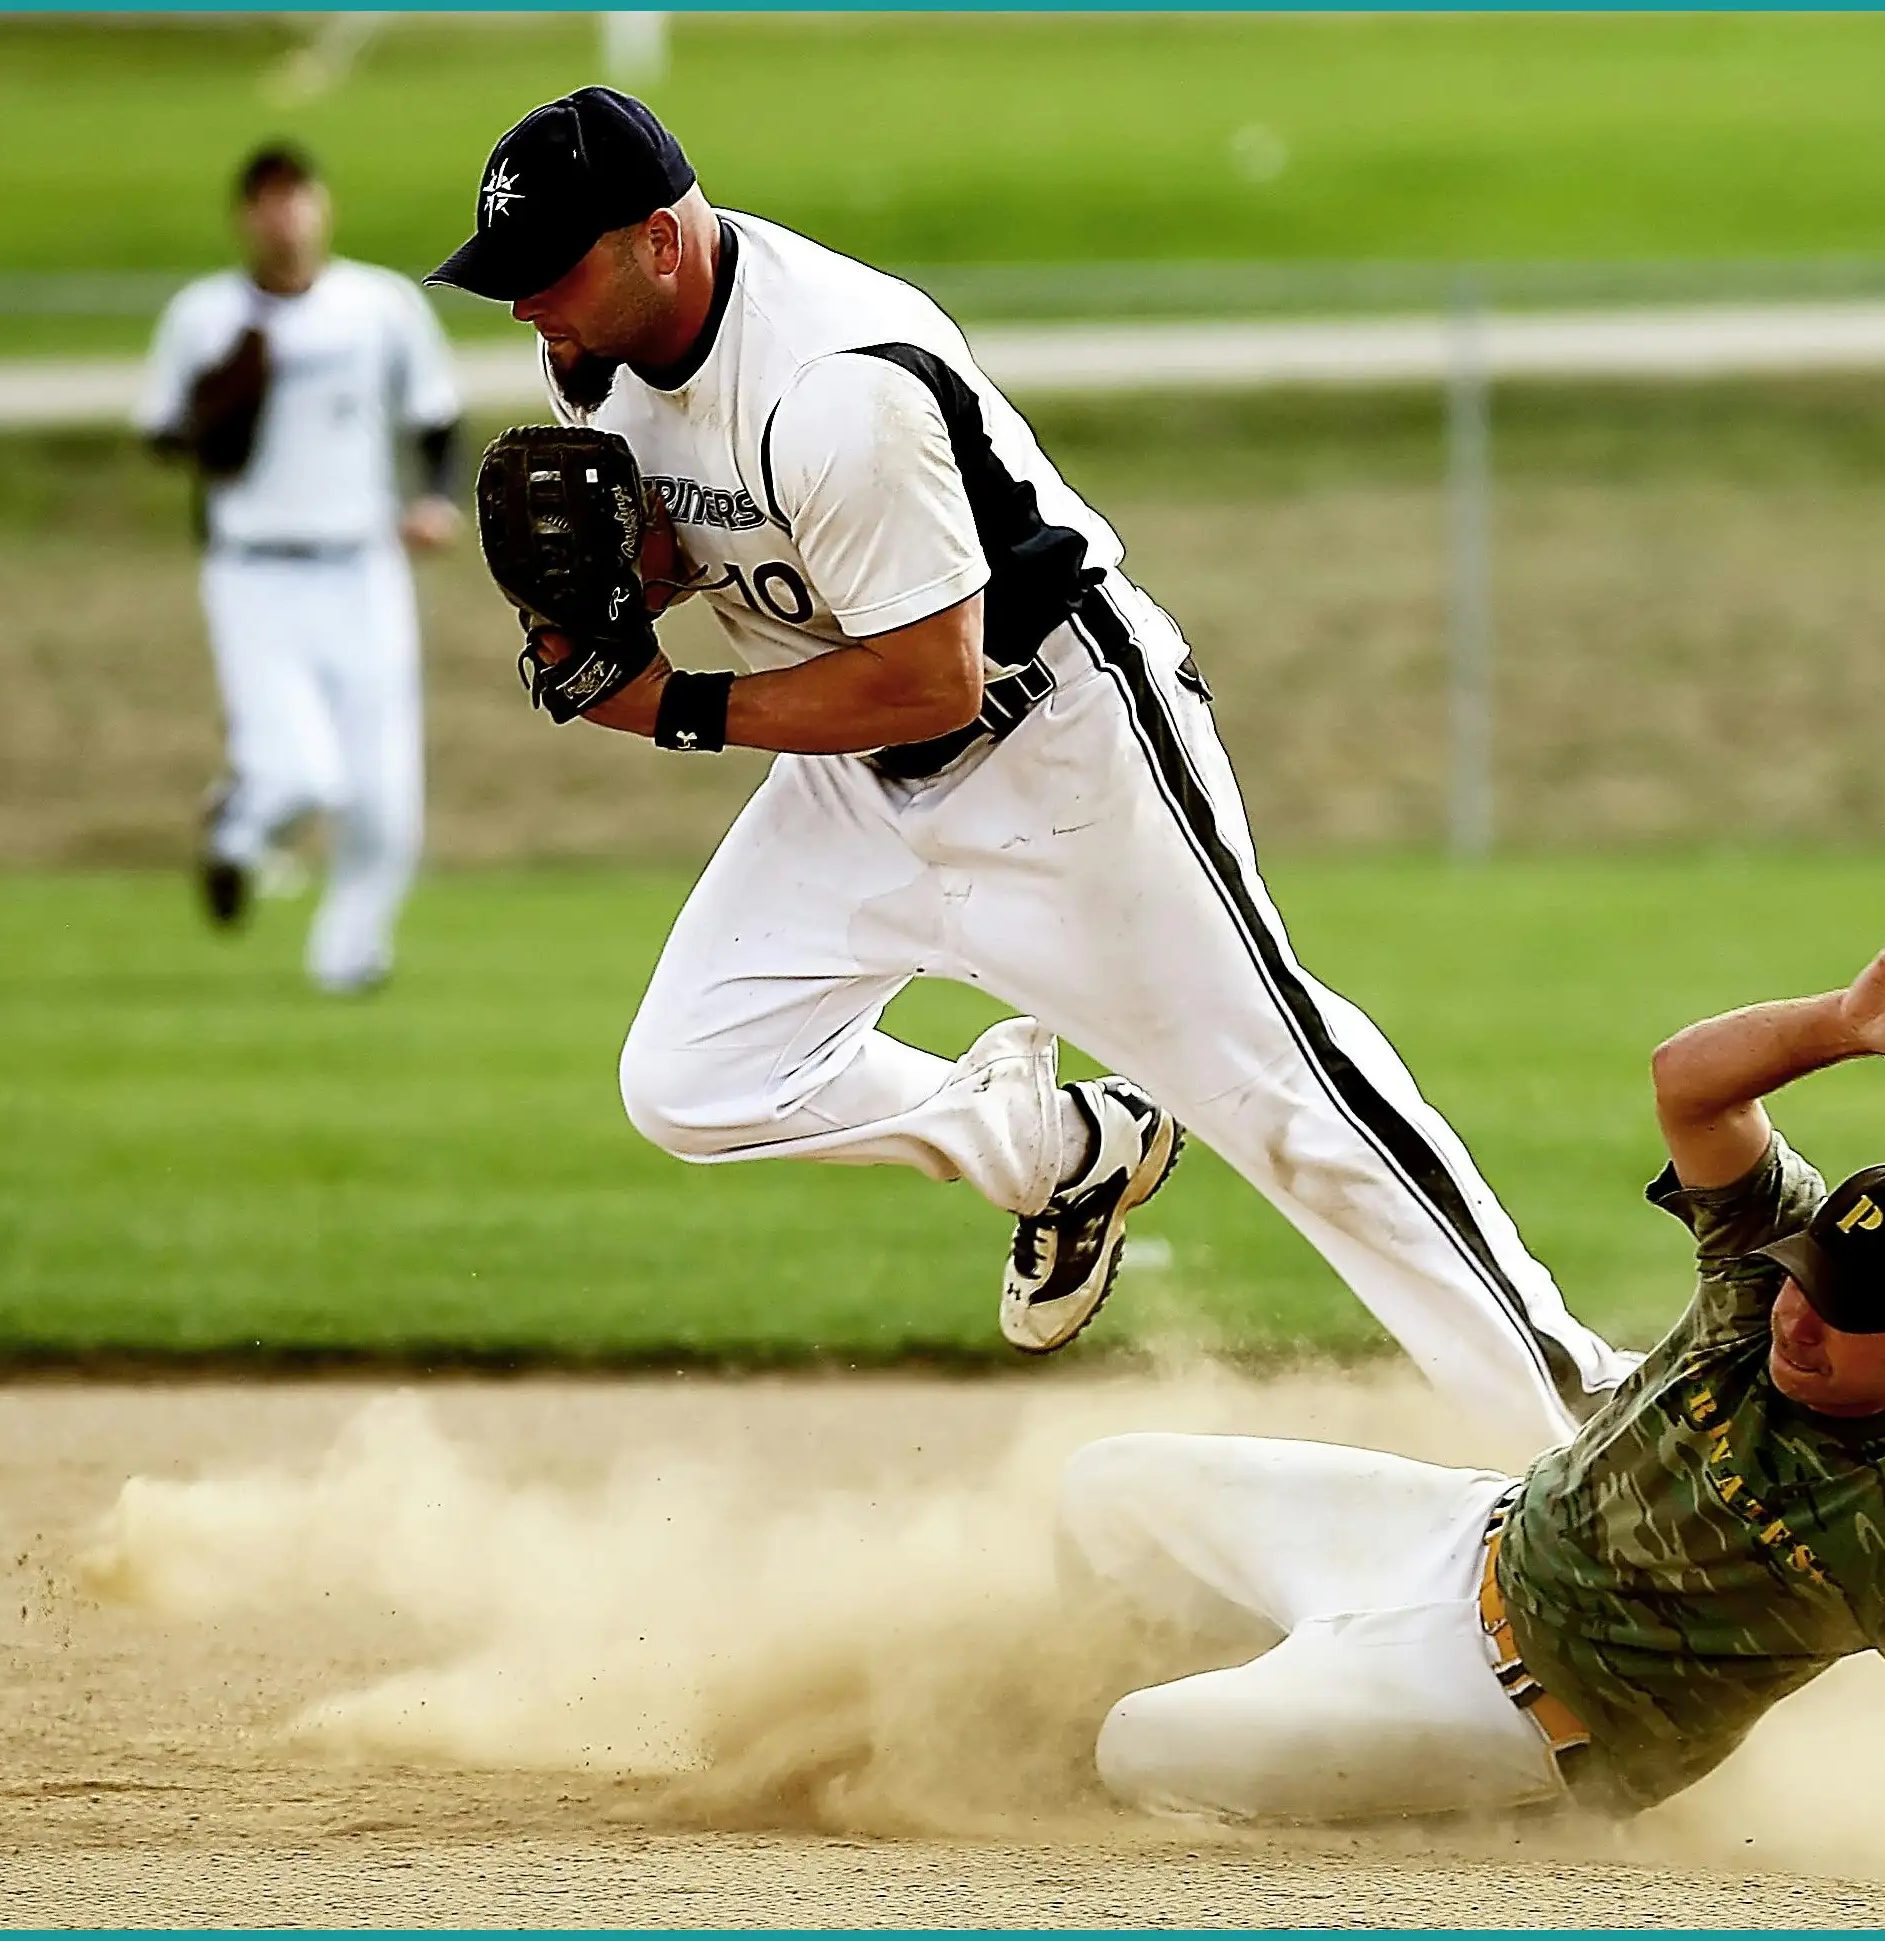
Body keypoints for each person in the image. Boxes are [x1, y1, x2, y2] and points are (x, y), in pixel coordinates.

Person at [422, 89, 1628, 1443]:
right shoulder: (599, 354)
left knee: (1288, 1104)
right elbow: (687, 545)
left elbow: (929, 674)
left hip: (1057, 752)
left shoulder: (837, 387)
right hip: (855, 777)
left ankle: (1585, 1417)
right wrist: (596, 606)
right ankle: (1067, 1151)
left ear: (656, 241)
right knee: (692, 1079)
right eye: (505, 282)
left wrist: (669, 706)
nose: (527, 310)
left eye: (548, 274)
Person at [1063, 923, 1885, 1844]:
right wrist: (1839, 1023)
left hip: (1512, 1715)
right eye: (1810, 1284)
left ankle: (1423, 1800)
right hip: (1460, 1532)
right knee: (1102, 1492)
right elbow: (1688, 1082)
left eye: (1849, 1316)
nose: (1802, 1318)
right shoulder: (1768, 1270)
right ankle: (1286, 1673)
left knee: (1135, 1744)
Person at [137, 143, 464, 997]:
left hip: (363, 565)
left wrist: (435, 499)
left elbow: (435, 417)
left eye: (296, 197)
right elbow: (163, 432)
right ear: (244, 216)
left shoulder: (378, 308)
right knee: (301, 772)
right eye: (265, 201)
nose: (283, 216)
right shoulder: (206, 317)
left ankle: (347, 958)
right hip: (255, 571)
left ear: (322, 206)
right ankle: (236, 833)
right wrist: (218, 412)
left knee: (385, 790)